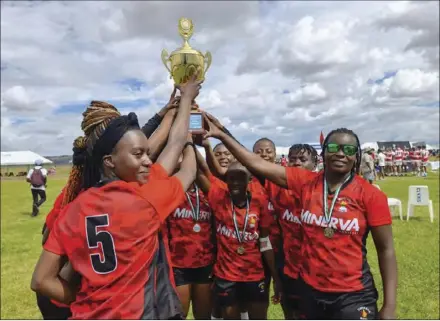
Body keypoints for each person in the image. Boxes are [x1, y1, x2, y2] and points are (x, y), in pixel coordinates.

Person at [31, 74, 202, 319]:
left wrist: (77, 298)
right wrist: (187, 113)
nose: (147, 160)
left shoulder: (74, 207)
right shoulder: (146, 198)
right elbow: (183, 162)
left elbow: (40, 280)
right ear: (109, 161)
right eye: (140, 154)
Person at [203, 117, 397, 320]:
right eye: (333, 147)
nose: (340, 153)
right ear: (324, 152)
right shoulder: (305, 183)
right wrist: (222, 133)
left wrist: (389, 306)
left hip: (353, 293)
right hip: (310, 288)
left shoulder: (371, 195)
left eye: (348, 150)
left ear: (356, 156)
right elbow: (256, 162)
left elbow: (386, 250)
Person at [196, 160, 281, 320]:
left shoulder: (259, 202)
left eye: (241, 178)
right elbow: (199, 173)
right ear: (225, 180)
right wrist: (192, 144)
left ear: (250, 180)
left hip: (254, 274)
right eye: (231, 178)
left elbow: (264, 241)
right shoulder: (218, 198)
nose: (235, 182)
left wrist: (276, 278)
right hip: (226, 275)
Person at [167, 179, 215, 319]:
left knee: (203, 316)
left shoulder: (207, 193)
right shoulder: (173, 192)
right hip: (178, 264)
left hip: (205, 263)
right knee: (178, 316)